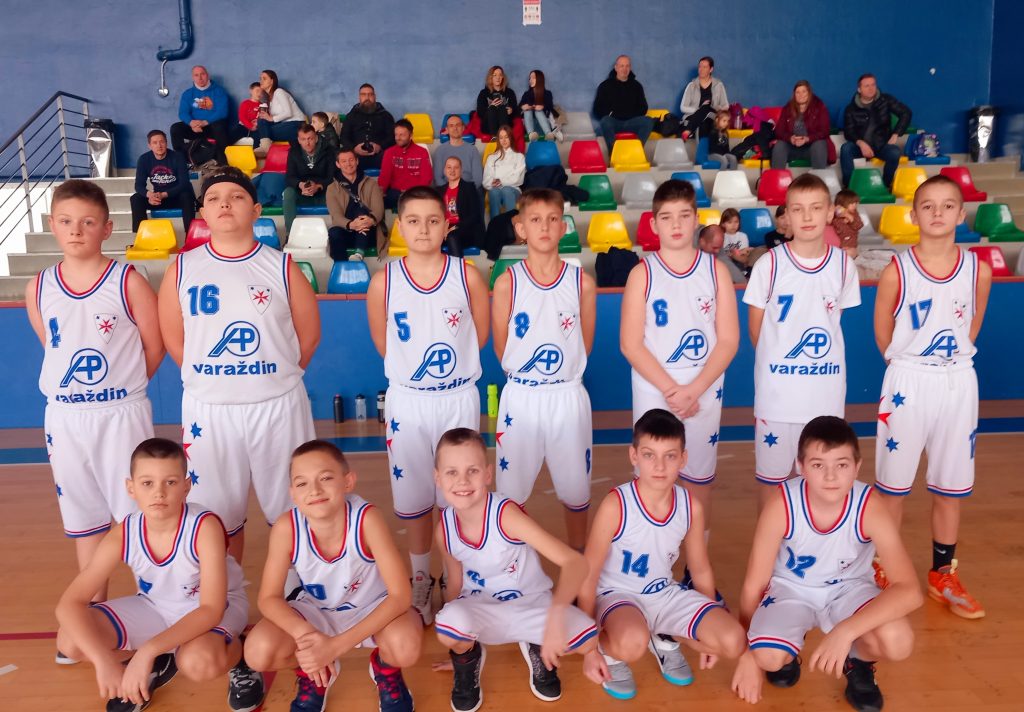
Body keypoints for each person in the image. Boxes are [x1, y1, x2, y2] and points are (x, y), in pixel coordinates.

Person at [157, 167, 320, 563]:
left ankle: (298, 588)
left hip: (277, 407)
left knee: (295, 510)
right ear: (202, 213)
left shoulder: (282, 266)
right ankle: (226, 592)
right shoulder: (182, 268)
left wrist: (272, 378)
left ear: (256, 209)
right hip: (209, 411)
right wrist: (212, 380)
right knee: (215, 518)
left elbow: (309, 335)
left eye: (236, 196)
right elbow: (175, 340)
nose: (225, 204)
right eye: (214, 198)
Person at [26, 179, 164, 612]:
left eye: (88, 222)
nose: (76, 230)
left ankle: (161, 606)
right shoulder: (40, 286)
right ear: (52, 225)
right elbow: (51, 346)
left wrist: (122, 387)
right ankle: (92, 610)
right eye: (66, 221)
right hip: (65, 419)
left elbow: (154, 346)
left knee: (140, 514)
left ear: (106, 228)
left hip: (120, 414)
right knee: (84, 520)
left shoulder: (127, 281)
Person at [54, 438, 264, 712]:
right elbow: (69, 604)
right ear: (131, 488)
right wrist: (103, 661)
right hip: (155, 607)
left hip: (216, 607)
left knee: (198, 663)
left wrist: (147, 650)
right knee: (70, 641)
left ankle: (239, 654)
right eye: (147, 483)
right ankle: (161, 657)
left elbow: (211, 610)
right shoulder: (124, 533)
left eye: (170, 482)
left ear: (186, 486)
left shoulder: (203, 527)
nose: (159, 493)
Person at [731, 417, 922, 711]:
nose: (831, 476)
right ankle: (787, 644)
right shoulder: (782, 503)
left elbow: (910, 591)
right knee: (768, 657)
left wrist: (846, 632)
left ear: (857, 467)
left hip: (849, 589)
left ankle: (858, 661)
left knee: (898, 641)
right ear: (801, 466)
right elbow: (754, 584)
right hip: (791, 589)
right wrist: (746, 653)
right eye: (818, 465)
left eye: (841, 465)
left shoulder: (869, 505)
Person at [365, 185, 490, 626]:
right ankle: (421, 577)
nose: (423, 229)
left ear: (446, 225)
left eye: (433, 220)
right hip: (409, 402)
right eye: (414, 221)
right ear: (400, 226)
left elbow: (480, 334)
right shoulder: (384, 281)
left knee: (462, 493)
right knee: (415, 497)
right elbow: (382, 341)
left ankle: (463, 574)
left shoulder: (466, 277)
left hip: (457, 398)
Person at [872, 175, 993, 620]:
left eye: (947, 205)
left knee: (950, 486)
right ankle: (883, 566)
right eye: (928, 205)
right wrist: (905, 363)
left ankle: (943, 573)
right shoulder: (897, 270)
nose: (938, 212)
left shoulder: (978, 270)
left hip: (957, 381)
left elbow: (972, 325)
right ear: (914, 214)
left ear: (961, 214)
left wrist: (949, 360)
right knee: (892, 487)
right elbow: (883, 329)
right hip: (908, 381)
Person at [243, 440, 421, 712]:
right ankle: (314, 673)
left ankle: (386, 670)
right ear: (292, 493)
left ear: (348, 482)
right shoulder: (287, 527)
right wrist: (306, 637)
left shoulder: (366, 519)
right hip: (316, 613)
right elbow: (268, 598)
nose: (314, 490)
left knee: (405, 647)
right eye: (302, 483)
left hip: (372, 608)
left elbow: (400, 596)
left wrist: (335, 647)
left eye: (325, 478)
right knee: (257, 652)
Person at [579, 409, 746, 699]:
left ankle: (663, 634)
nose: (659, 466)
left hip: (663, 594)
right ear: (634, 456)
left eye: (670, 456)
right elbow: (588, 573)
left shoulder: (690, 506)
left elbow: (700, 569)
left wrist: (705, 621)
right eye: (649, 455)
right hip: (618, 595)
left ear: (683, 458)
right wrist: (588, 648)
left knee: (732, 641)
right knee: (632, 643)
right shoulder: (617, 505)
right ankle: (610, 653)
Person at [432, 428, 598, 711]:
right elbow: (455, 584)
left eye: (472, 471)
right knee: (449, 623)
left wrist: (556, 618)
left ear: (487, 474)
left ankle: (536, 643)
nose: (462, 481)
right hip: (483, 608)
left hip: (531, 605)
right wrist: (458, 646)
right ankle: (470, 661)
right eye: (451, 472)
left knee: (588, 640)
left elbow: (576, 562)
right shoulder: (444, 529)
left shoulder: (506, 515)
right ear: (438, 478)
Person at [620, 180, 739, 542]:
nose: (676, 224)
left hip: (703, 388)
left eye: (684, 216)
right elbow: (630, 344)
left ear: (696, 220)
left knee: (699, 477)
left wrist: (693, 390)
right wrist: (673, 391)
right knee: (651, 475)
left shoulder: (715, 271)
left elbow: (729, 340)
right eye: (667, 217)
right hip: (655, 388)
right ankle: (649, 554)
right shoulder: (642, 273)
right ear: (653, 224)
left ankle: (696, 560)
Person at [742, 174, 861, 506]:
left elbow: (834, 320)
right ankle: (773, 541)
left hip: (825, 397)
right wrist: (780, 365)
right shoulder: (769, 265)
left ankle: (815, 539)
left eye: (816, 208)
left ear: (830, 213)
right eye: (798, 209)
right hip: (777, 398)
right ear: (786, 217)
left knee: (822, 484)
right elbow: (757, 331)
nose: (807, 217)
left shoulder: (843, 266)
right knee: (772, 487)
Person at [491, 188, 597, 551]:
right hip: (521, 397)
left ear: (564, 226)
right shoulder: (507, 282)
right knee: (511, 493)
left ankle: (579, 559)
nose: (545, 227)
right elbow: (501, 345)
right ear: (521, 228)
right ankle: (511, 564)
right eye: (535, 220)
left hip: (567, 395)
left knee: (576, 491)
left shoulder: (582, 283)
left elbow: (584, 343)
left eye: (553, 219)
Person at [840, 74, 912, 188]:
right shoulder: (850, 109)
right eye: (867, 86)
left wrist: (896, 134)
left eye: (873, 85)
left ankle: (885, 185)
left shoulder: (886, 100)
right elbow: (849, 131)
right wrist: (861, 143)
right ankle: (849, 187)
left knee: (894, 152)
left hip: (881, 145)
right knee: (846, 149)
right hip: (860, 147)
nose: (871, 88)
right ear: (859, 89)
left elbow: (906, 113)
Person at [130, 129, 196, 234]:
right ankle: (140, 236)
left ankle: (190, 235)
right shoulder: (144, 159)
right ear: (149, 145)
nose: (159, 145)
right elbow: (139, 185)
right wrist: (150, 195)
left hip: (176, 197)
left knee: (187, 196)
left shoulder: (177, 157)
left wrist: (164, 195)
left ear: (166, 143)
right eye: (155, 143)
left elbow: (184, 183)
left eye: (162, 142)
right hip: (158, 199)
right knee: (136, 198)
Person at [326, 147, 385, 262]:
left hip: (369, 231)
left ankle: (359, 253)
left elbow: (378, 210)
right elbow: (336, 216)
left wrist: (371, 220)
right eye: (344, 161)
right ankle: (342, 266)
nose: (348, 164)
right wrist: (351, 224)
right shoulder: (332, 188)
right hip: (347, 230)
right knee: (334, 233)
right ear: (338, 164)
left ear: (357, 161)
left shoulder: (371, 184)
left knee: (361, 212)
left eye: (351, 160)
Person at [593, 55, 653, 156]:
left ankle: (636, 152)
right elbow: (596, 109)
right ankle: (614, 154)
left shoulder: (637, 86)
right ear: (616, 67)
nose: (624, 69)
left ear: (630, 68)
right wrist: (610, 114)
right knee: (605, 121)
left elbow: (643, 107)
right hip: (613, 122)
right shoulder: (605, 86)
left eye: (627, 66)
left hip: (632, 122)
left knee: (648, 121)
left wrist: (632, 115)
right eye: (622, 66)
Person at [170, 65, 230, 165]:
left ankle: (223, 163)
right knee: (175, 128)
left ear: (207, 75)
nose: (200, 78)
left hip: (212, 128)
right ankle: (181, 162)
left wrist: (204, 122)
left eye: (202, 74)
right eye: (196, 75)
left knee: (219, 126)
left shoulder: (219, 91)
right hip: (195, 128)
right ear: (193, 77)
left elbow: (222, 112)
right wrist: (191, 123)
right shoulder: (188, 94)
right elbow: (183, 113)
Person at [282, 123, 333, 237]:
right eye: (303, 139)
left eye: (310, 138)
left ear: (316, 138)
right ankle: (290, 234)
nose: (307, 143)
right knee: (288, 192)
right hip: (302, 192)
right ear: (299, 140)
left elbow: (332, 177)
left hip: (323, 193)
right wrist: (300, 185)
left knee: (335, 191)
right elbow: (289, 177)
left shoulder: (328, 151)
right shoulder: (294, 151)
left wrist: (318, 186)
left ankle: (336, 232)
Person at [771, 80, 832, 170]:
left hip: (811, 147)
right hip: (792, 147)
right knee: (779, 145)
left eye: (804, 91)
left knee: (819, 144)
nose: (801, 95)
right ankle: (777, 176)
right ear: (794, 95)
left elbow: (825, 131)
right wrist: (790, 138)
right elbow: (779, 131)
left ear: (809, 93)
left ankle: (818, 177)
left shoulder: (819, 107)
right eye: (798, 92)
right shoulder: (787, 108)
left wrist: (807, 139)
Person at [378, 119, 432, 211]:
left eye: (402, 135)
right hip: (395, 194)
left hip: (416, 194)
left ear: (411, 135)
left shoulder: (422, 152)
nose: (398, 138)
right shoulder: (389, 152)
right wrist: (380, 193)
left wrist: (412, 193)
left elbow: (426, 178)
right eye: (396, 135)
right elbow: (384, 177)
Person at [340, 84, 396, 171]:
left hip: (380, 155)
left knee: (393, 158)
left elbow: (392, 137)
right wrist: (354, 148)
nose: (367, 98)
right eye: (363, 94)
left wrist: (380, 146)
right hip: (356, 156)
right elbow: (344, 137)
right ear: (359, 97)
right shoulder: (351, 116)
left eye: (370, 94)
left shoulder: (386, 116)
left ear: (375, 97)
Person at [439, 156, 485, 257]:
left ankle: (458, 267)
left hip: (464, 228)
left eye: (456, 167)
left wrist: (454, 227)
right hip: (445, 228)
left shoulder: (469, 188)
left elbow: (475, 215)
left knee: (452, 236)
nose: (452, 170)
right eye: (449, 167)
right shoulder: (440, 190)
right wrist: (443, 228)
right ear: (444, 170)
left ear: (461, 170)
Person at [253, 69, 307, 155]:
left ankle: (266, 149)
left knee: (264, 132)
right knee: (261, 121)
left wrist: (271, 118)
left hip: (297, 125)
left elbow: (288, 113)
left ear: (272, 81)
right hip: (285, 125)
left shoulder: (279, 92)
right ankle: (263, 149)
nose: (261, 81)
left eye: (264, 78)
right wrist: (260, 122)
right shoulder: (269, 100)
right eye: (260, 79)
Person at [679, 56, 729, 141]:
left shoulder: (718, 85)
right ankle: (702, 148)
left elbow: (726, 106)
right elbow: (683, 107)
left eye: (705, 67)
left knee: (707, 106)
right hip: (693, 117)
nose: (701, 69)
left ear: (711, 69)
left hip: (712, 116)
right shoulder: (691, 85)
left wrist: (714, 107)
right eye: (700, 66)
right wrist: (699, 108)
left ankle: (688, 131)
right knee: (704, 123)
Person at [482, 125, 525, 221]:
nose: (504, 140)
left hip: (513, 190)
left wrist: (500, 181)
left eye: (506, 137)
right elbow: (486, 180)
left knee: (506, 190)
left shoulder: (519, 157)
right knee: (493, 192)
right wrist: (492, 182)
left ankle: (511, 225)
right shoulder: (491, 157)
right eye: (501, 138)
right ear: (498, 139)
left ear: (511, 138)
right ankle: (495, 225)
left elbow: (518, 179)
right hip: (496, 189)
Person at [432, 114, 484, 188]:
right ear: (447, 130)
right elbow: (438, 178)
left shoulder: (472, 150)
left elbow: (478, 179)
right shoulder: (440, 151)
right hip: (446, 190)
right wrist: (451, 190)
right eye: (451, 126)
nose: (455, 128)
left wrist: (464, 191)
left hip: (469, 190)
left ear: (463, 128)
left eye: (458, 125)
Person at [476, 65, 520, 139]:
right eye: (495, 75)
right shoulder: (483, 93)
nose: (498, 77)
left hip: (506, 124)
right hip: (488, 125)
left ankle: (502, 136)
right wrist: (490, 107)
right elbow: (480, 112)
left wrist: (511, 110)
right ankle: (495, 137)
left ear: (503, 77)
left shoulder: (510, 92)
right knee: (492, 108)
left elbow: (517, 111)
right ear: (490, 77)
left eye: (500, 75)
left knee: (502, 108)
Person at [520, 69, 563, 142]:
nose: (530, 80)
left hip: (544, 125)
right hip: (531, 126)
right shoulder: (526, 94)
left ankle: (549, 134)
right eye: (530, 78)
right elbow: (517, 110)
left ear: (539, 79)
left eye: (533, 78)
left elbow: (550, 107)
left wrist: (542, 107)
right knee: (527, 111)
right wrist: (522, 107)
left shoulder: (547, 93)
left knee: (538, 111)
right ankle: (531, 134)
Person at [720, 208, 753, 278]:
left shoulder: (743, 236)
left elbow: (744, 257)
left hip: (740, 265)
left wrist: (732, 254)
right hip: (725, 265)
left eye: (736, 222)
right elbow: (721, 256)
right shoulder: (721, 236)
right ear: (723, 224)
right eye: (729, 222)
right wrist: (736, 254)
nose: (733, 225)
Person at [831, 189, 863, 259]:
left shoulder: (854, 214)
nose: (854, 205)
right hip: (837, 244)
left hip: (850, 244)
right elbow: (832, 225)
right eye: (851, 203)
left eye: (856, 203)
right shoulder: (834, 213)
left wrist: (850, 218)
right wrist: (839, 217)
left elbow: (859, 225)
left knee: (848, 256)